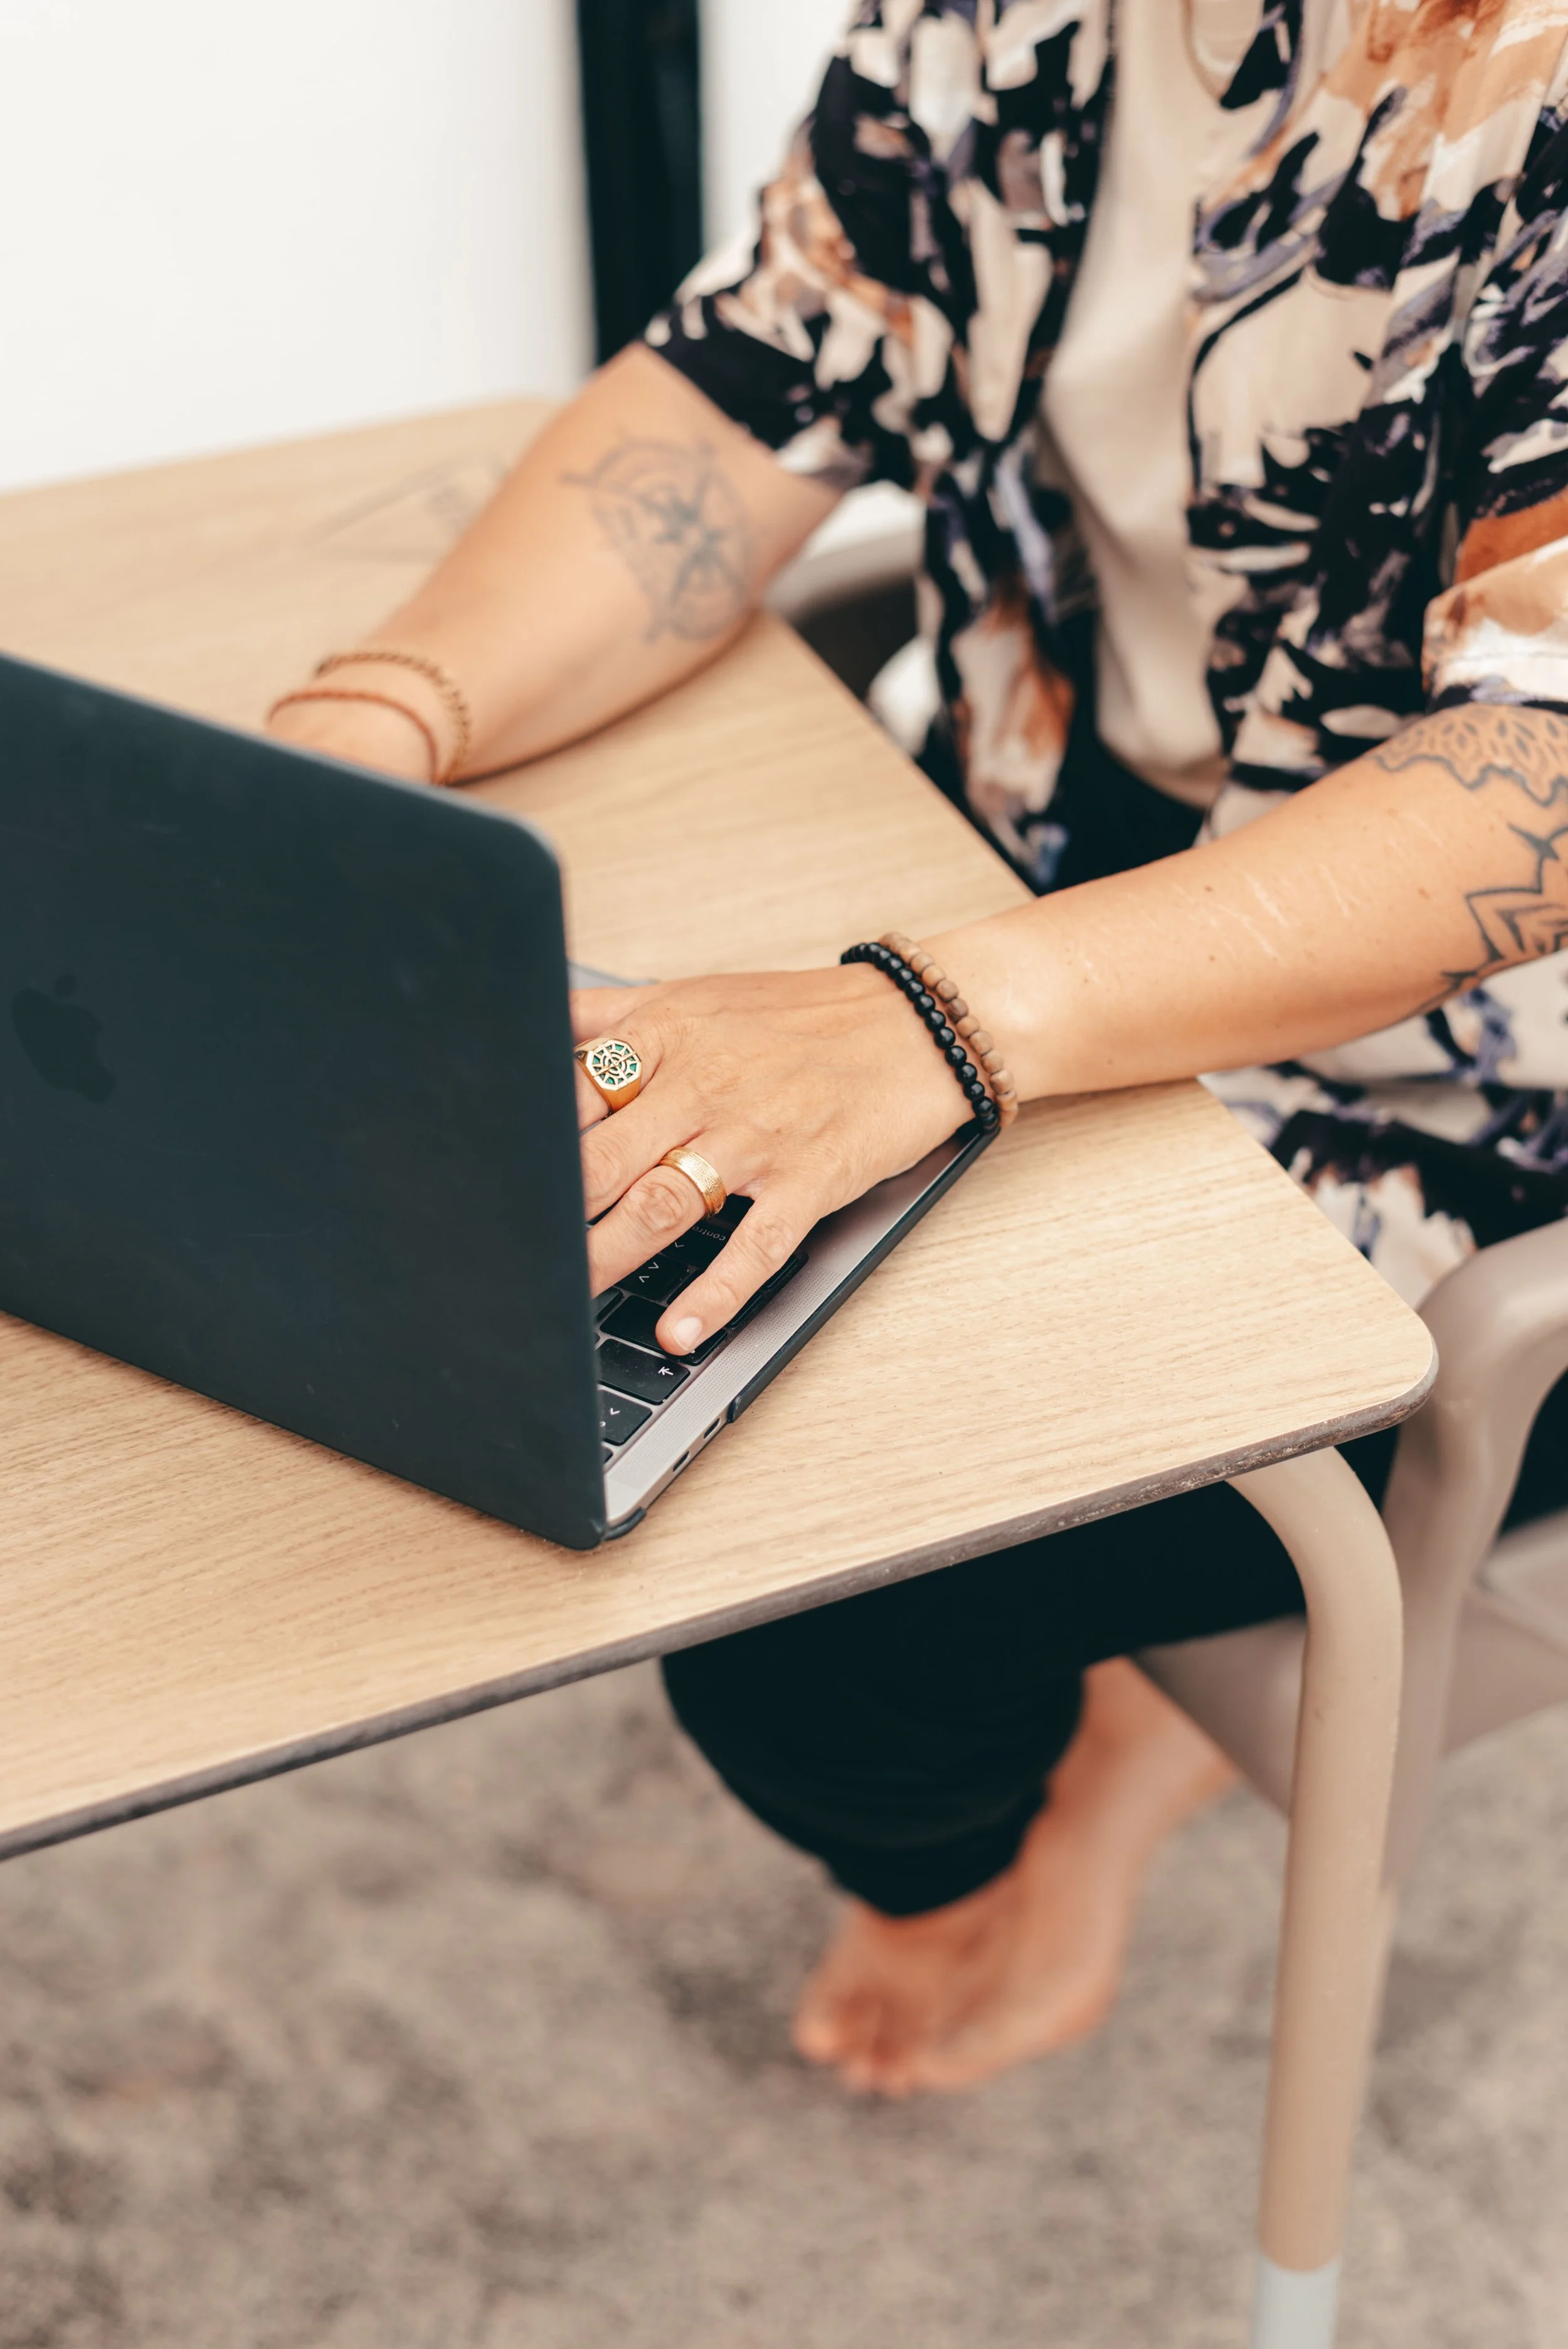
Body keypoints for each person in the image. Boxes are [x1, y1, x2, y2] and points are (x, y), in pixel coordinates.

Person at [268, 0, 1568, 2097]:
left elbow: (1542, 773)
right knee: (539, 1279)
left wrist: (934, 1022)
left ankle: (1031, 1825)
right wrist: (384, 720)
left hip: (1479, 1121)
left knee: (807, 1590)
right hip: (1041, 863)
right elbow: (748, 379)